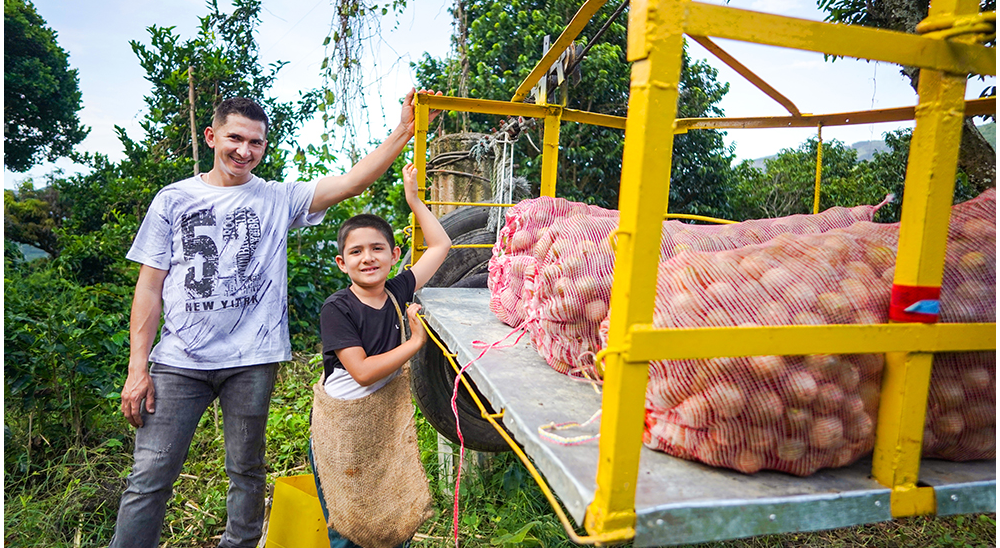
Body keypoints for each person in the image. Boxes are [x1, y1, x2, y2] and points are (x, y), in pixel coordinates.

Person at [112, 91, 441, 548]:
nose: (244, 151)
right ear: (212, 137)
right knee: (150, 477)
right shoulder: (173, 200)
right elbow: (149, 287)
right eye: (234, 138)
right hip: (179, 361)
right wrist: (137, 368)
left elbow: (351, 182)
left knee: (246, 471)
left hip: (253, 360)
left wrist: (404, 131)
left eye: (256, 143)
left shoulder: (276, 198)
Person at [311, 162, 450, 547]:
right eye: (356, 251)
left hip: (381, 421)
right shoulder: (337, 308)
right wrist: (414, 344)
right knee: (349, 524)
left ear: (394, 255)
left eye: (377, 249)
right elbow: (362, 372)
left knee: (390, 513)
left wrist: (414, 199)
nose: (367, 257)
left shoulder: (397, 290)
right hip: (344, 426)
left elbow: (441, 245)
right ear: (342, 263)